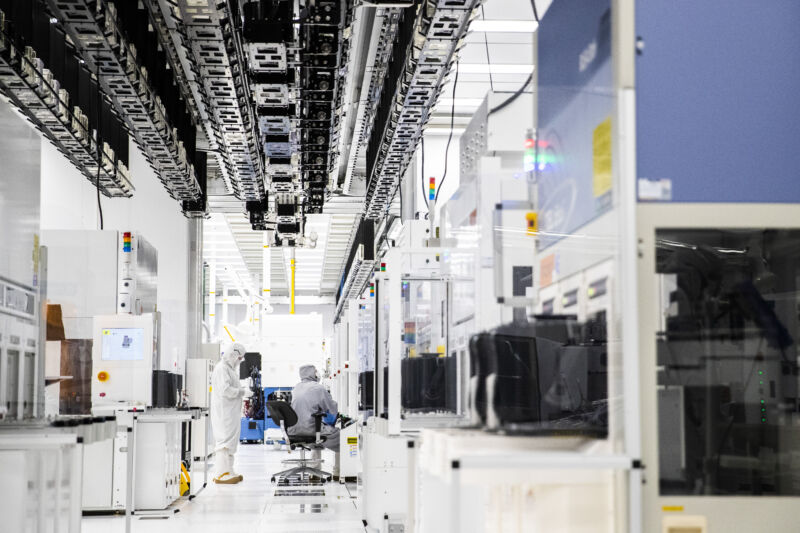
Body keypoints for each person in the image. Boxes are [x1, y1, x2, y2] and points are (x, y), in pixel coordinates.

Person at [210, 341, 247, 484]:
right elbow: (225, 390)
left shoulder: (229, 369)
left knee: (230, 442)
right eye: (239, 358)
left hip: (230, 412)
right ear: (233, 355)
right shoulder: (221, 369)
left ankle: (229, 470)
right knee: (224, 441)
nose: (239, 362)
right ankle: (221, 474)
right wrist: (242, 392)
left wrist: (240, 391)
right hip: (224, 413)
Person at [290, 364, 340, 453]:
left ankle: (315, 465)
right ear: (312, 373)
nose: (317, 373)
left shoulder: (296, 388)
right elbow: (332, 408)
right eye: (316, 371)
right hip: (310, 431)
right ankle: (338, 467)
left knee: (317, 433)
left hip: (293, 431)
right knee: (341, 436)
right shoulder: (318, 387)